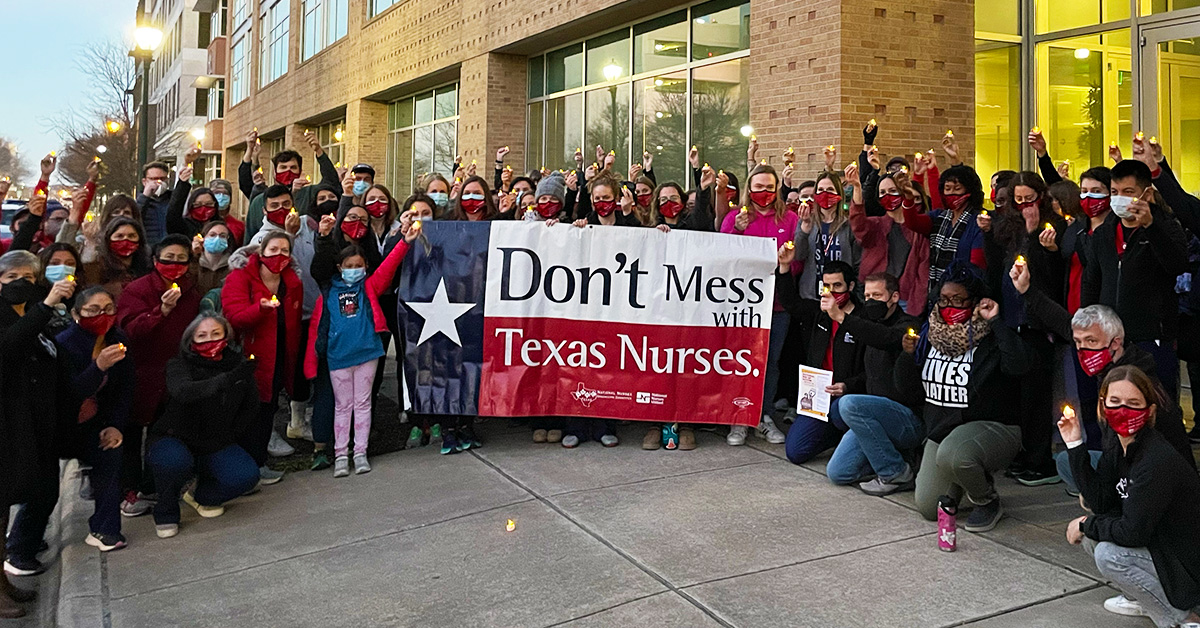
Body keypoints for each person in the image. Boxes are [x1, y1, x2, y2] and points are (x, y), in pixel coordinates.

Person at [1063, 365, 1200, 627]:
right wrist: (1075, 444)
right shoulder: (1118, 445)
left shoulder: (1156, 459)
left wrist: (1084, 524)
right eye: (1115, 402)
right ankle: (1143, 598)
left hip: (1185, 563)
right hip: (1160, 547)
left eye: (1133, 403)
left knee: (1108, 554)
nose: (1123, 410)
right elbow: (1101, 503)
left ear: (1149, 411)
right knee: (1094, 537)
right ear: (1103, 406)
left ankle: (1183, 619)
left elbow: (1132, 533)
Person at [900, 262, 1031, 532]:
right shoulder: (929, 336)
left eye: (959, 300)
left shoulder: (990, 337)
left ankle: (987, 500)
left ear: (975, 301)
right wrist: (906, 356)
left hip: (991, 427)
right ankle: (967, 478)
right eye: (945, 299)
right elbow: (907, 391)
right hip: (943, 433)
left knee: (956, 454)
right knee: (928, 507)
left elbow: (1019, 365)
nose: (950, 306)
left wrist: (996, 321)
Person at [304, 217, 415, 476]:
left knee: (363, 404)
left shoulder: (369, 287)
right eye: (348, 266)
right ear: (339, 267)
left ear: (365, 267)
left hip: (367, 353)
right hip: (338, 356)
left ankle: (360, 452)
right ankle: (341, 455)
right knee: (343, 406)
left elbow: (388, 268)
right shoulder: (329, 291)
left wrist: (404, 243)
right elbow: (315, 330)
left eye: (359, 265)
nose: (354, 269)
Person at [0, 250, 74, 615]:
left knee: (27, 495)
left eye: (29, 277)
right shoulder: (26, 314)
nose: (21, 284)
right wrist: (45, 306)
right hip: (6, 425)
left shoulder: (33, 314)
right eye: (12, 277)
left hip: (34, 422)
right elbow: (9, 348)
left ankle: (5, 583)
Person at [146, 314, 261, 539]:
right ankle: (167, 510)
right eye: (202, 336)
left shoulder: (238, 364)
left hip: (214, 441)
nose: (210, 340)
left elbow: (251, 405)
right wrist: (227, 380)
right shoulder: (178, 365)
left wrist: (229, 434)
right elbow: (183, 391)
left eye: (216, 334)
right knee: (173, 461)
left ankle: (201, 495)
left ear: (227, 337)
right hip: (174, 437)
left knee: (246, 476)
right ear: (190, 340)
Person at [1082, 159, 1188, 400]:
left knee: (1157, 403)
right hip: (1111, 338)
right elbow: (1092, 281)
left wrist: (1151, 226)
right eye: (1114, 192)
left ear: (1146, 193)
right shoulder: (1104, 233)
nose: (1119, 198)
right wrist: (1087, 323)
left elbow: (1177, 264)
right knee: (1112, 402)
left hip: (1152, 336)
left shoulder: (1166, 227)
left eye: (1128, 192)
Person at [115, 234, 203, 517]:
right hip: (143, 372)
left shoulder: (190, 290)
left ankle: (156, 485)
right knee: (134, 435)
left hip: (178, 373)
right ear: (155, 261)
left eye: (181, 260)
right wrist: (161, 311)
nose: (174, 265)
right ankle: (129, 490)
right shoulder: (138, 290)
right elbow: (129, 330)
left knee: (165, 430)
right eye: (168, 259)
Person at [817, 272, 922, 494]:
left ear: (894, 297)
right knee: (838, 473)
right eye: (866, 296)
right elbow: (869, 371)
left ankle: (896, 472)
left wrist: (841, 317)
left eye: (877, 295)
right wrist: (848, 385)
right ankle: (890, 457)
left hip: (906, 418)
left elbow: (884, 338)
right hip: (873, 417)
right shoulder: (868, 324)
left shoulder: (908, 326)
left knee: (849, 405)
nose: (871, 301)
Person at [720, 164, 797, 446]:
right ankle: (739, 417)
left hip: (776, 306)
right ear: (748, 189)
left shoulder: (789, 219)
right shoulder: (735, 217)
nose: (764, 192)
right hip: (740, 306)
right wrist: (736, 233)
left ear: (777, 188)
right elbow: (722, 258)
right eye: (758, 186)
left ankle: (762, 416)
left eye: (769, 186)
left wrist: (787, 259)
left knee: (771, 364)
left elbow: (799, 260)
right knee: (740, 362)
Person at [55, 287, 134, 551]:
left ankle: (104, 529)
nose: (102, 315)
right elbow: (71, 394)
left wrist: (114, 425)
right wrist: (98, 367)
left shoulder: (117, 338)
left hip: (95, 424)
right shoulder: (64, 344)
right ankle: (22, 546)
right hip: (62, 425)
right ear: (77, 313)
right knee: (41, 490)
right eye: (93, 310)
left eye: (109, 309)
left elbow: (123, 389)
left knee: (110, 452)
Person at [222, 231, 303, 483]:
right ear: (261, 252)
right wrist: (260, 309)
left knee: (268, 409)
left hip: (279, 357)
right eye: (273, 250)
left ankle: (259, 464)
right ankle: (241, 469)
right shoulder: (240, 278)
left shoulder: (292, 283)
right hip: (248, 360)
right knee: (247, 412)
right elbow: (234, 317)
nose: (279, 256)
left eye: (285, 251)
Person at [779, 260, 867, 464]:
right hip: (818, 396)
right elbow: (791, 303)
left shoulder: (864, 320)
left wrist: (848, 386)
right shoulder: (820, 313)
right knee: (795, 451)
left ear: (851, 286)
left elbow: (872, 371)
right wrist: (784, 268)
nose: (832, 292)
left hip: (848, 396)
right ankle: (834, 436)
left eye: (838, 286)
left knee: (840, 412)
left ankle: (849, 435)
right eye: (827, 286)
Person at [845, 162, 929, 315]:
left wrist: (916, 307)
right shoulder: (876, 224)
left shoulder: (917, 229)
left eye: (892, 191)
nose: (887, 196)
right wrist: (857, 187)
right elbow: (858, 223)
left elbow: (922, 274)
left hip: (905, 299)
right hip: (874, 295)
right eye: (882, 192)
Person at [900, 163, 988, 295]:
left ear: (970, 191)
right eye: (948, 189)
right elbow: (913, 223)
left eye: (957, 189)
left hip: (966, 291)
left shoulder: (978, 221)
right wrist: (908, 198)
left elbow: (977, 264)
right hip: (937, 289)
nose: (952, 193)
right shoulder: (938, 217)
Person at [240, 129, 339, 237]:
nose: (288, 171)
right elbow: (245, 183)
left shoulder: (309, 193)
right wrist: (249, 151)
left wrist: (319, 151)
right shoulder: (261, 199)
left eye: (293, 167)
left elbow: (331, 181)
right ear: (274, 171)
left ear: (300, 171)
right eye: (283, 167)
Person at [81, 217, 152, 301]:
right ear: (108, 239)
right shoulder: (98, 268)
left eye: (131, 236)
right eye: (119, 236)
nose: (126, 239)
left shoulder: (148, 268)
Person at [137, 161, 174, 246]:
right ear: (144, 182)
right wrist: (145, 196)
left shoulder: (173, 200)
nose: (158, 182)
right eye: (153, 179)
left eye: (162, 179)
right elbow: (136, 217)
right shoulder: (140, 202)